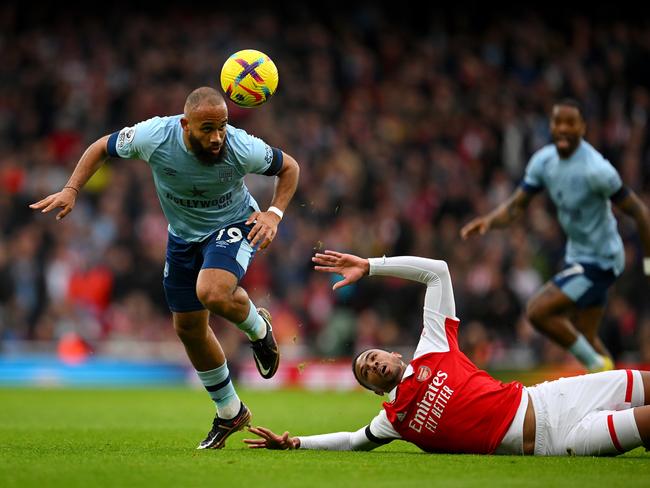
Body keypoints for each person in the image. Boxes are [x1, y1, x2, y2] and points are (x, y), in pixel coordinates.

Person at [30, 86, 300, 449]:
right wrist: (72, 189)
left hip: (234, 224)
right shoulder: (154, 136)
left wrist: (274, 213)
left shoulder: (242, 146)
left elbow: (289, 168)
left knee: (212, 291)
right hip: (183, 237)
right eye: (207, 129)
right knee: (188, 328)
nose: (217, 136)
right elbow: (101, 147)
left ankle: (258, 328)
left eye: (222, 126)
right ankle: (230, 412)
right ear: (185, 124)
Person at [244, 250, 650, 456]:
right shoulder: (394, 419)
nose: (373, 363)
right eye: (367, 371)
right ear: (373, 389)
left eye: (372, 357)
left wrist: (370, 265)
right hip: (557, 442)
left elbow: (437, 270)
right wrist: (295, 443)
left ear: (395, 355)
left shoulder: (433, 346)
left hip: (551, 397)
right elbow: (352, 440)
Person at [460, 99, 650, 372]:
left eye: (570, 123)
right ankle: (615, 388)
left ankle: (597, 365)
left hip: (602, 261)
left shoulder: (597, 170)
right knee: (586, 337)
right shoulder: (544, 161)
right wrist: (488, 222)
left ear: (583, 127)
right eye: (557, 122)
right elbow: (517, 206)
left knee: (537, 311)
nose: (562, 128)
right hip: (577, 256)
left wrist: (648, 265)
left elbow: (640, 212)